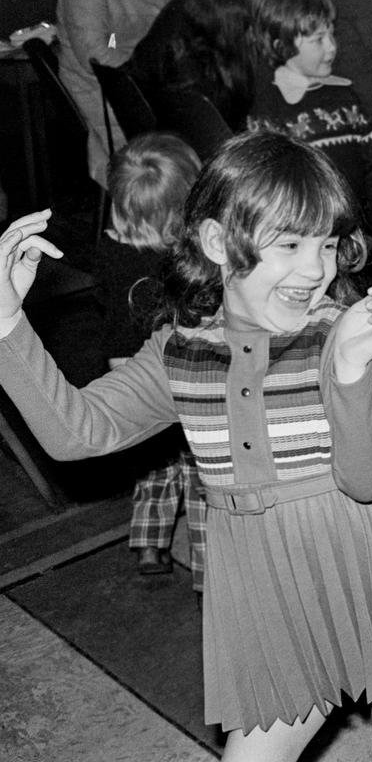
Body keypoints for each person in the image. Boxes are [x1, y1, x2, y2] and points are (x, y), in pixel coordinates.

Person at [0, 132, 372, 762]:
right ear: (215, 243)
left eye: (326, 245)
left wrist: (348, 370)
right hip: (267, 591)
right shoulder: (178, 352)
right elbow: (76, 433)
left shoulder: (336, 337)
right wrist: (6, 324)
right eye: (290, 244)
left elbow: (369, 480)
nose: (316, 269)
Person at [98, 132, 207, 585]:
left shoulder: (110, 248)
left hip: (127, 375)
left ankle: (148, 543)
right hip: (181, 375)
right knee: (203, 474)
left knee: (156, 465)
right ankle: (208, 570)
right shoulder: (183, 260)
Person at [247, 0, 372, 245]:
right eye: (318, 39)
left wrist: (369, 235)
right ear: (281, 45)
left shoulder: (345, 96)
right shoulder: (267, 111)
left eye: (332, 33)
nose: (332, 46)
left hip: (355, 241)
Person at [55, 0, 172, 185]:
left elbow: (168, 29)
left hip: (145, 84)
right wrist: (152, 74)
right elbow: (96, 57)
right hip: (102, 90)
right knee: (184, 132)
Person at [124, 0, 256, 132]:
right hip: (174, 128)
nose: (252, 34)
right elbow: (216, 125)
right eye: (246, 27)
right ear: (226, 30)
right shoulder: (189, 71)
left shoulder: (196, 20)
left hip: (158, 106)